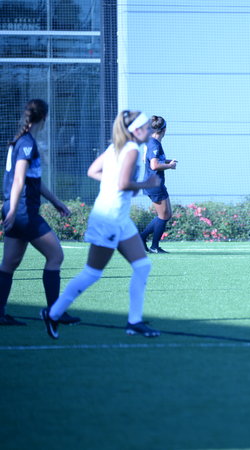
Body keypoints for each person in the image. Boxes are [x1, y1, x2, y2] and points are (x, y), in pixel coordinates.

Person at [41, 110, 161, 339]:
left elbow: (93, 171)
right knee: (93, 273)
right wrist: (147, 183)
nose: (149, 131)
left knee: (143, 266)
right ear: (136, 130)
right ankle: (53, 313)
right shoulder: (131, 149)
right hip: (108, 218)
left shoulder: (117, 147)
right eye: (146, 127)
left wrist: (115, 181)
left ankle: (134, 322)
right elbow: (123, 184)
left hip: (119, 218)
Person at [0, 99, 79, 326]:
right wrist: (13, 210)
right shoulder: (27, 143)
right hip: (23, 210)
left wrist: (56, 202)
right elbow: (18, 179)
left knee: (9, 263)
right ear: (44, 118)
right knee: (56, 256)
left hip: (17, 208)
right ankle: (55, 312)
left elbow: (33, 180)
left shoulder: (22, 140)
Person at [138, 115, 176, 254]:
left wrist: (167, 161)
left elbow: (148, 160)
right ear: (164, 129)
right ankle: (154, 246)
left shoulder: (151, 142)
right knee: (164, 216)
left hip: (156, 183)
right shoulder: (154, 144)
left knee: (167, 214)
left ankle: (142, 238)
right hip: (154, 184)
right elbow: (154, 165)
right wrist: (170, 166)